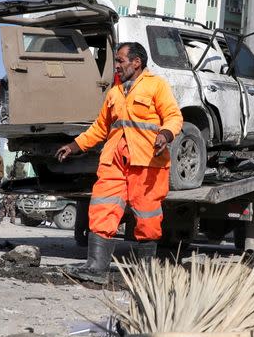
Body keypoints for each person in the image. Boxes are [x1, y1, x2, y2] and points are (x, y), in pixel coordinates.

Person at [56, 42, 183, 283]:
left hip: (147, 162)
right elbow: (100, 128)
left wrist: (165, 135)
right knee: (102, 208)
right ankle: (96, 268)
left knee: (147, 217)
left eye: (120, 61)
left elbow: (174, 116)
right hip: (114, 161)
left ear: (137, 63)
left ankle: (146, 274)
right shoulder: (114, 92)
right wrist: (74, 146)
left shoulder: (156, 85)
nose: (116, 65)